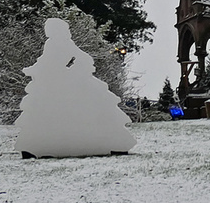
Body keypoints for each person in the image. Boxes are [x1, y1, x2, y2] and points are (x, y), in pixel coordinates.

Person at [15, 17, 136, 158]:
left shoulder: (66, 44)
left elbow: (84, 58)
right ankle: (38, 145)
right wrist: (33, 70)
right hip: (55, 83)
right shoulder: (51, 44)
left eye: (50, 28)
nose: (47, 31)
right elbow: (45, 62)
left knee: (87, 106)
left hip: (66, 82)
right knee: (46, 110)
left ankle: (113, 143)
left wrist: (72, 70)